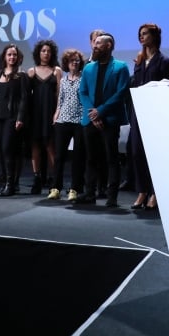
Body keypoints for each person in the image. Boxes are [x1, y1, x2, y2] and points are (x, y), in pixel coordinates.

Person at [74, 33, 130, 208]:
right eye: (94, 43)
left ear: (109, 45)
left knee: (111, 158)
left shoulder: (121, 67)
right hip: (90, 119)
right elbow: (82, 92)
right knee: (91, 158)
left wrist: (101, 111)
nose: (95, 46)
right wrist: (93, 113)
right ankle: (90, 193)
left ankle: (111, 195)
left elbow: (121, 92)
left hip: (110, 119)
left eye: (99, 43)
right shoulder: (89, 68)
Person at [129, 24, 169, 211]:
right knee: (136, 153)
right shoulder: (139, 61)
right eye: (139, 34)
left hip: (156, 115)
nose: (141, 37)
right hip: (138, 113)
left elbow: (167, 89)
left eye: (145, 33)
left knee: (154, 155)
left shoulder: (165, 61)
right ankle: (142, 191)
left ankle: (156, 192)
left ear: (154, 36)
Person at [0, 43, 29, 196]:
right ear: (4, 57)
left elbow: (24, 99)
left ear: (18, 57)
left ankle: (11, 184)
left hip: (12, 118)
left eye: (14, 55)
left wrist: (20, 118)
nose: (12, 57)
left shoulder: (22, 75)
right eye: (9, 54)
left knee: (8, 150)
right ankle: (5, 182)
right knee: (1, 151)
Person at [26, 39, 62, 195]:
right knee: (35, 146)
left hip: (51, 112)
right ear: (38, 53)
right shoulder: (31, 71)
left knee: (50, 146)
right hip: (35, 113)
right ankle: (37, 178)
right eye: (43, 51)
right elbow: (26, 96)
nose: (46, 53)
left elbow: (61, 94)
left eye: (48, 51)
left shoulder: (57, 71)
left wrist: (58, 112)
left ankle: (55, 181)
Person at [50, 48, 87, 201]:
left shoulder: (84, 78)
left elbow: (86, 99)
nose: (75, 63)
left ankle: (74, 189)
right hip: (63, 120)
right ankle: (56, 188)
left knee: (78, 156)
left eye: (77, 61)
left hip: (79, 120)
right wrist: (56, 114)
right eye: (72, 61)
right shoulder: (64, 80)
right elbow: (61, 99)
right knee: (59, 156)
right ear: (66, 63)